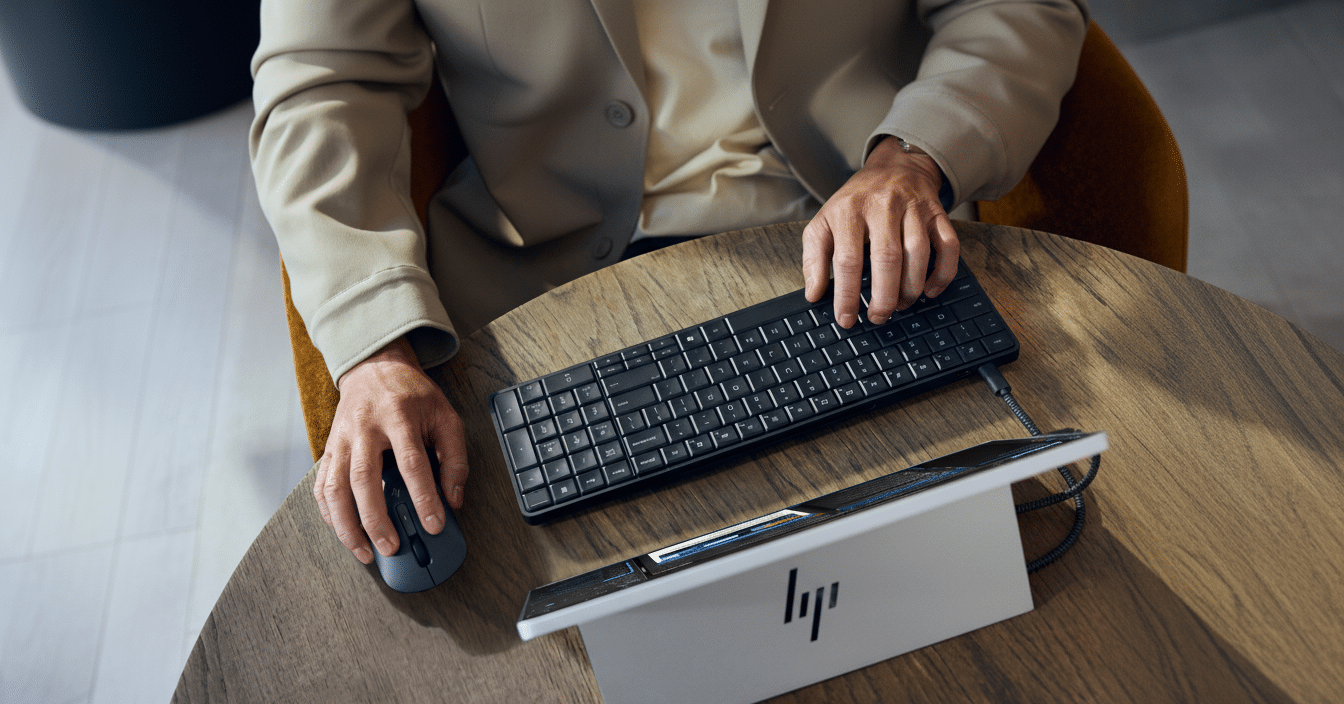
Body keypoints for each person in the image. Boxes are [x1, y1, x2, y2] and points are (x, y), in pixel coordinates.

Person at [251, 0, 1090, 564]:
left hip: (850, 237)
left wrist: (911, 156)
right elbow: (319, 83)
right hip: (542, 284)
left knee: (974, 573)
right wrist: (374, 348)